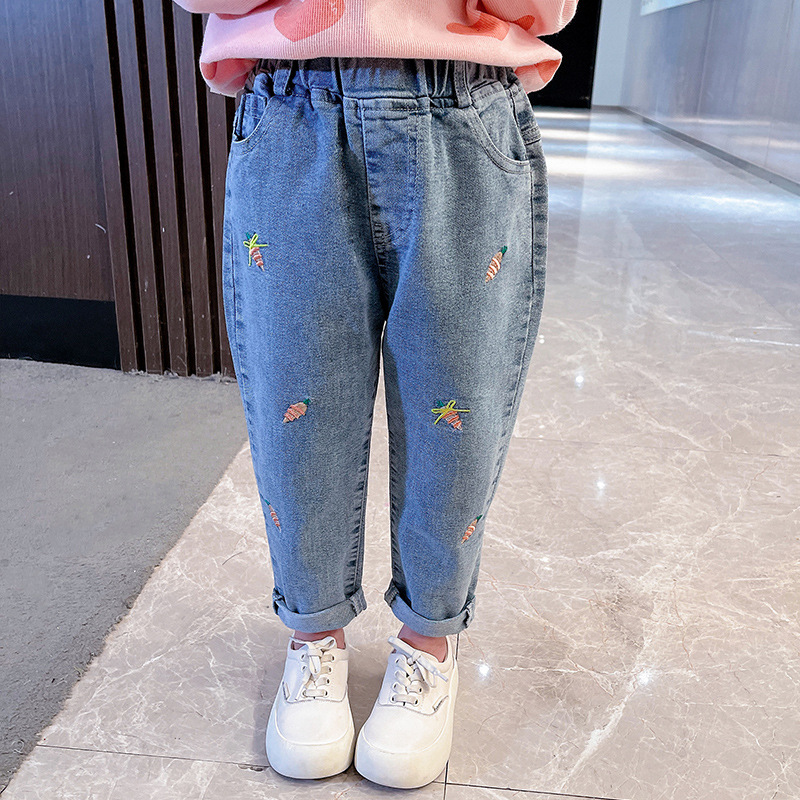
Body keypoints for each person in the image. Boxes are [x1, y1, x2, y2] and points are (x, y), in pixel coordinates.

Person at [172, 0, 579, 789]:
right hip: (292, 108)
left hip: (464, 107)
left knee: (458, 402)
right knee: (296, 401)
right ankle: (313, 635)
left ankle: (429, 641)